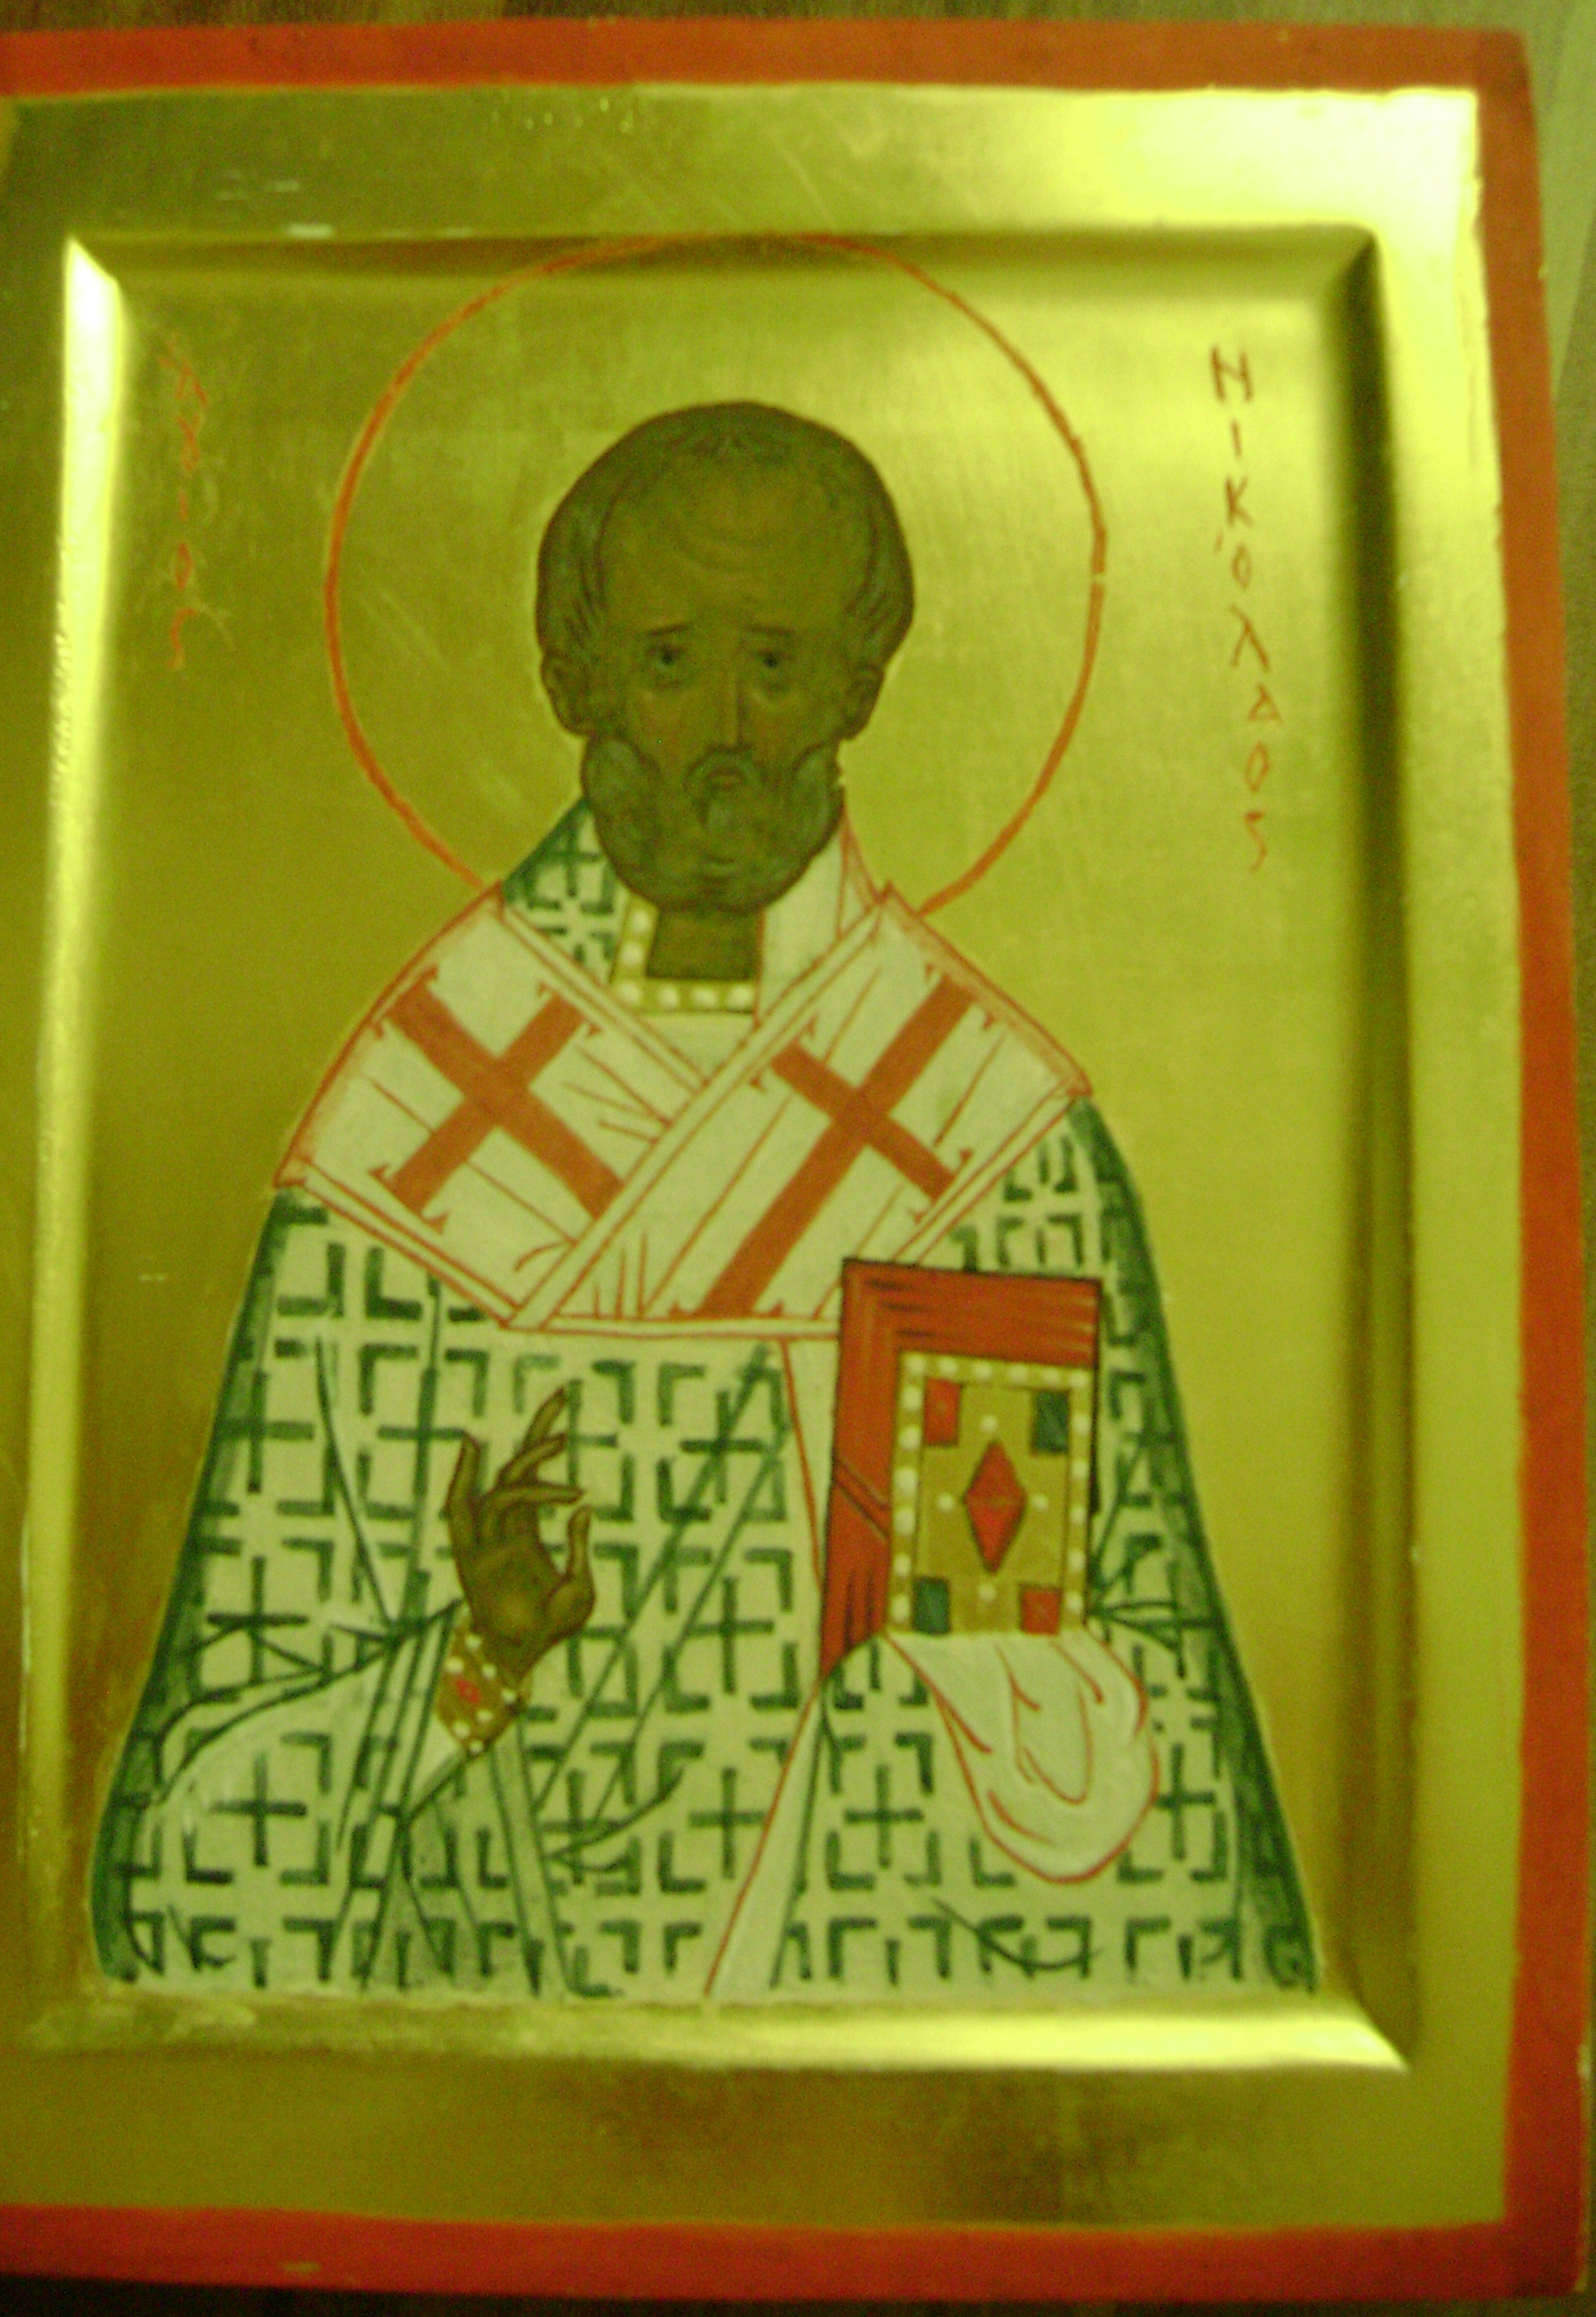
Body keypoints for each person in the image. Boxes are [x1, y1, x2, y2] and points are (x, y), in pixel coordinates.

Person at [93, 403, 1313, 2002]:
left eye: (780, 663)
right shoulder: (410, 1139)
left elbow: (1173, 1818)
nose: (730, 729)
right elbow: (198, 1843)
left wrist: (981, 1698)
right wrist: (473, 1665)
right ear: (573, 679)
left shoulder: (984, 1137)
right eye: (670, 662)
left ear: (859, 685)